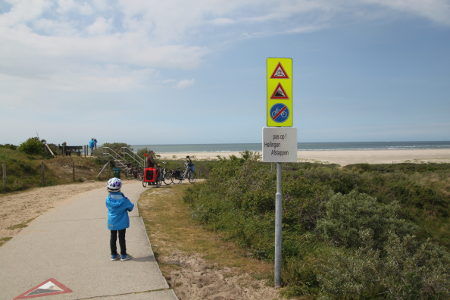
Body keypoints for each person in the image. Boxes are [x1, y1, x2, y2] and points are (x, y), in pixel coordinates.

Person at [105, 178, 134, 261]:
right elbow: (130, 207)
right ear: (119, 187)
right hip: (122, 221)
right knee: (122, 237)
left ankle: (113, 255)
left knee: (113, 237)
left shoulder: (107, 199)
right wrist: (124, 198)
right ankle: (123, 255)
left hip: (112, 221)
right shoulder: (124, 200)